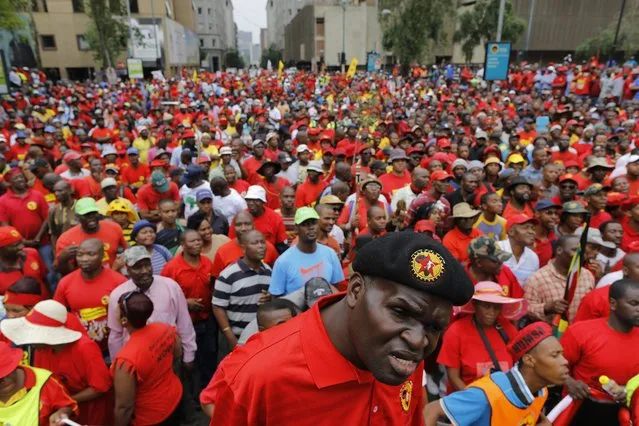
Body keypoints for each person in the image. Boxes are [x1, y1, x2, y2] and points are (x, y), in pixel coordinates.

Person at [202, 232, 474, 425]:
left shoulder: (402, 358)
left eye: (435, 327)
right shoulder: (257, 374)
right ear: (355, 290)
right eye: (400, 312)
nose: (417, 341)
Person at [424, 322, 567, 426]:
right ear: (529, 360)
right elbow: (431, 410)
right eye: (555, 355)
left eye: (562, 354)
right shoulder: (488, 394)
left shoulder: (541, 391)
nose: (565, 361)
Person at [1, 299, 112, 425]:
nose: (30, 342)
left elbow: (101, 387)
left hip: (89, 411)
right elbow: (42, 381)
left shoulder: (85, 348)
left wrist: (63, 401)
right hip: (56, 412)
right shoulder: (40, 350)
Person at [561, 279, 639, 425]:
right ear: (613, 303)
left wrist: (627, 391)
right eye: (634, 304)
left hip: (626, 414)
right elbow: (551, 367)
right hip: (581, 410)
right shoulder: (580, 332)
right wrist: (569, 382)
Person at [107, 246, 196, 369]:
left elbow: (184, 322)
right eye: (138, 267)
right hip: (136, 360)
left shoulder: (170, 286)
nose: (144, 271)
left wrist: (189, 355)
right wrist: (118, 366)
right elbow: (116, 334)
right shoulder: (118, 295)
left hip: (168, 354)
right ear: (127, 269)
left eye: (147, 265)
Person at [111, 292, 183, 426]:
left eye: (117, 309)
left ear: (124, 321)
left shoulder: (126, 360)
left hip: (151, 416)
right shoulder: (164, 328)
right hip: (174, 398)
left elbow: (124, 408)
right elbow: (178, 352)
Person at [438, 281, 524, 392]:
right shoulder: (456, 332)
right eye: (486, 306)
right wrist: (478, 400)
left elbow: (519, 367)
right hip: (466, 399)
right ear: (475, 304)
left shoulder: (508, 329)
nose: (491, 312)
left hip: (504, 399)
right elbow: (454, 378)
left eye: (496, 307)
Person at [161, 229, 217, 389]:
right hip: (184, 324)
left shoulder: (207, 263)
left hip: (207, 320)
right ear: (182, 245)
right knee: (188, 361)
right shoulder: (171, 268)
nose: (197, 243)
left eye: (199, 240)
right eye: (192, 241)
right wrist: (185, 303)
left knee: (209, 357)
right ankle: (190, 395)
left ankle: (209, 390)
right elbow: (164, 296)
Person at [54, 238, 127, 353]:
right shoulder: (65, 283)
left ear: (102, 255)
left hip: (112, 348)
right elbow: (57, 315)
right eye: (80, 255)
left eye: (90, 254)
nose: (84, 259)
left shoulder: (119, 282)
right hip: (80, 348)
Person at [213, 230, 272, 356]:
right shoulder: (228, 275)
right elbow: (217, 307)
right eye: (255, 243)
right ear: (244, 249)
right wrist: (229, 335)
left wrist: (269, 298)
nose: (261, 246)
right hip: (236, 337)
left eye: (262, 242)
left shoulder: (268, 271)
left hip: (260, 338)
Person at [269, 207, 344, 296]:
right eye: (305, 224)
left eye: (314, 223)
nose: (311, 227)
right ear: (296, 228)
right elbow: (276, 298)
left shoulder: (330, 254)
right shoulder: (282, 261)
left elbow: (335, 288)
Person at [0, 341, 78, 425]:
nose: (3, 381)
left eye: (7, 372)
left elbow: (68, 405)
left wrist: (61, 413)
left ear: (14, 365)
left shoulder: (45, 381)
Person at [524, 235, 596, 323]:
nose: (580, 255)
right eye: (575, 250)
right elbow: (526, 310)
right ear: (559, 250)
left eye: (582, 252)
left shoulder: (587, 275)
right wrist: (547, 307)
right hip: (553, 334)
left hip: (580, 332)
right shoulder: (537, 279)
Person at [55, 197, 127, 273]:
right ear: (77, 217)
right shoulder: (66, 239)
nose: (91, 217)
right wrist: (63, 259)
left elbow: (125, 251)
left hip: (115, 277)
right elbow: (66, 272)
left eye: (93, 213)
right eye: (86, 215)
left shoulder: (114, 228)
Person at [212, 211, 278, 275]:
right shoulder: (223, 251)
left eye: (247, 224)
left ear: (253, 225)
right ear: (233, 227)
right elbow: (216, 281)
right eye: (239, 225)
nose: (243, 228)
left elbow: (277, 274)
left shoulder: (267, 248)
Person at [229, 185, 288, 252]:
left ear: (263, 202)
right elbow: (232, 242)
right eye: (249, 200)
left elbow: (281, 246)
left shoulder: (275, 218)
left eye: (255, 200)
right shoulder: (239, 218)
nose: (251, 203)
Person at [0, 226, 49, 296]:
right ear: (1, 250)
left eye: (21, 242)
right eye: (15, 245)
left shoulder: (32, 253)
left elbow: (44, 279)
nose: (21, 247)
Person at [497, 214, 540, 286]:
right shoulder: (497, 248)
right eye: (525, 228)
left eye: (533, 229)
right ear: (511, 232)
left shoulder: (533, 257)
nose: (531, 232)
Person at [534, 199, 561, 267]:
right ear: (537, 214)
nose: (554, 217)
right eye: (549, 213)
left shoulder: (554, 239)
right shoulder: (526, 237)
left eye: (556, 213)